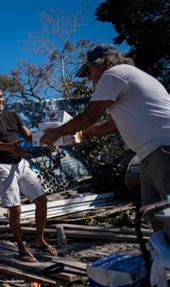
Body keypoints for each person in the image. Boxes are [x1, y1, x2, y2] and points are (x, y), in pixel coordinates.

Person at [41, 44, 170, 229]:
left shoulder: (114, 74)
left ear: (99, 64)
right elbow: (110, 125)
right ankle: (162, 256)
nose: (88, 78)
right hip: (152, 152)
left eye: (88, 72)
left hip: (163, 149)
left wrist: (56, 132)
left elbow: (90, 116)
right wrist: (80, 132)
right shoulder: (130, 76)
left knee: (166, 211)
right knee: (154, 212)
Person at [0, 85, 57, 262]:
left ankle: (39, 240)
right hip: (2, 167)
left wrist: (47, 141)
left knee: (41, 199)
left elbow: (28, 136)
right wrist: (11, 147)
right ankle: (21, 249)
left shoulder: (13, 115)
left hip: (20, 163)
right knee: (15, 209)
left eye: (1, 96)